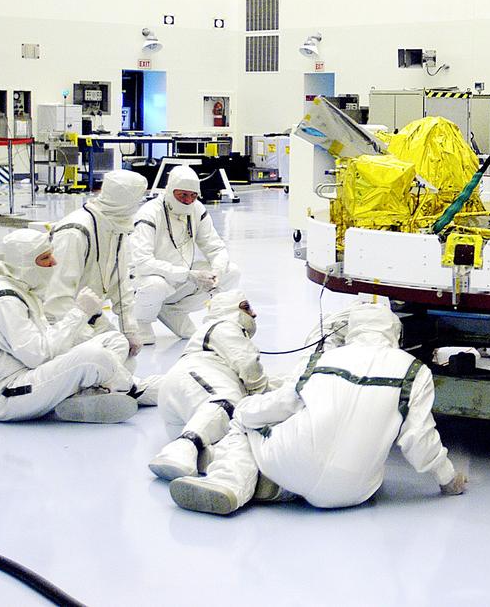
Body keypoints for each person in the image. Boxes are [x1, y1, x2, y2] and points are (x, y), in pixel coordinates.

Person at [168, 303, 466, 514]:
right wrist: (448, 479)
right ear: (395, 335)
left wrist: (245, 410)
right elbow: (418, 439)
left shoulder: (322, 360)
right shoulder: (415, 371)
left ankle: (230, 482)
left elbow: (282, 404)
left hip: (294, 461)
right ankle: (277, 488)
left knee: (244, 420)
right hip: (356, 492)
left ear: (352, 332)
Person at [0, 229, 138, 423]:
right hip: (9, 393)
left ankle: (91, 393)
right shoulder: (4, 301)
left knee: (114, 340)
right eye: (44, 258)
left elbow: (43, 342)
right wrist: (79, 314)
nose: (54, 262)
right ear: (24, 264)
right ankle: (131, 389)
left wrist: (83, 329)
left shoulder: (23, 290)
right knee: (95, 357)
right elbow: (38, 355)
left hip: (31, 376)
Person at [148, 290, 268, 480]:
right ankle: (181, 448)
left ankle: (200, 456)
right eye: (246, 308)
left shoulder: (214, 333)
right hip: (196, 380)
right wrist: (263, 402)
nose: (254, 314)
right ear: (231, 310)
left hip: (186, 402)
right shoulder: (224, 325)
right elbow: (248, 365)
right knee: (228, 402)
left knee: (229, 438)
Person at [130, 165, 241, 344]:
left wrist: (217, 273)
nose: (188, 200)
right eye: (182, 195)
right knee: (155, 285)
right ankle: (141, 320)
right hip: (145, 280)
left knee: (232, 272)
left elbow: (216, 248)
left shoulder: (197, 209)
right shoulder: (150, 213)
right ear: (170, 190)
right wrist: (188, 275)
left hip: (180, 278)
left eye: (193, 195)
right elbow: (142, 263)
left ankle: (172, 310)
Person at [45, 169, 148, 357]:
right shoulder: (74, 232)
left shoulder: (114, 227)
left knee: (125, 358)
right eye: (138, 199)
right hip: (60, 323)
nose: (139, 205)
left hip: (91, 316)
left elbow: (120, 283)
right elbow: (57, 299)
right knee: (105, 360)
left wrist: (129, 330)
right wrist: (84, 337)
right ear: (125, 200)